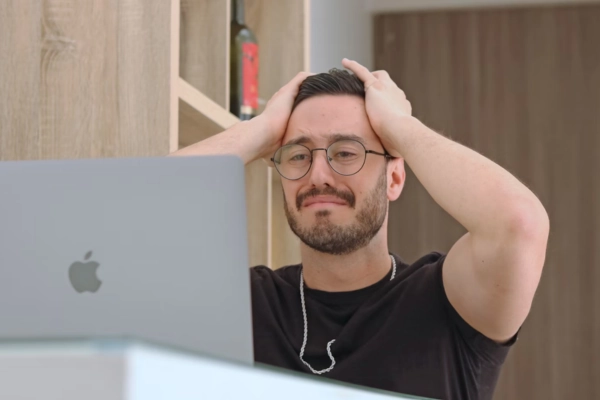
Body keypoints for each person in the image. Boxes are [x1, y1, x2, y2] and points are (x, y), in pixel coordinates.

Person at [172, 59, 550, 400]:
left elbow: (519, 223)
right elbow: (124, 230)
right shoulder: (245, 306)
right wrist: (261, 129)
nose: (318, 175)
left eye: (346, 153)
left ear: (395, 178)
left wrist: (401, 126)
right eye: (299, 155)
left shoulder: (449, 305)